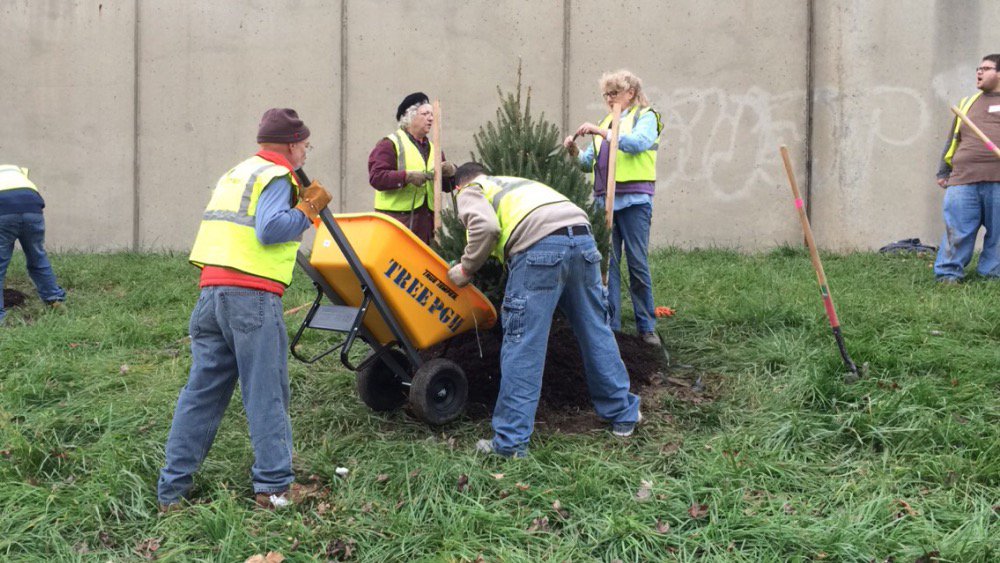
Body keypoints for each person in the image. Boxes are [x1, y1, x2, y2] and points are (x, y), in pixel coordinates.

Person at [157, 108, 332, 511]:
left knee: (200, 394)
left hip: (211, 295)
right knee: (266, 392)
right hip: (251, 298)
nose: (305, 153)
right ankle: (274, 489)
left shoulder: (237, 173)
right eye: (305, 146)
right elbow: (270, 230)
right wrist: (307, 209)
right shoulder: (277, 175)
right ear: (291, 145)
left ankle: (172, 491)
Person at [447, 163, 641, 458]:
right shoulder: (515, 182)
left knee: (524, 343)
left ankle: (511, 443)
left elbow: (485, 227)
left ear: (459, 185)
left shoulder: (471, 189)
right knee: (595, 330)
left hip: (539, 250)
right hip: (583, 240)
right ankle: (623, 414)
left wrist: (466, 268)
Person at [564, 70, 663, 345]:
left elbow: (637, 144)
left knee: (637, 263)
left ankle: (646, 326)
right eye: (606, 94)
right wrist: (573, 151)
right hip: (604, 202)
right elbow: (588, 163)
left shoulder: (646, 117)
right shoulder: (606, 122)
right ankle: (612, 327)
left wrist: (602, 132)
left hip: (634, 200)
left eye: (614, 93)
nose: (609, 99)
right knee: (608, 265)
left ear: (630, 93)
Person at [934, 54, 1000, 283]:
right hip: (963, 178)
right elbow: (953, 139)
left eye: (986, 68)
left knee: (999, 234)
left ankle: (992, 276)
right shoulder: (966, 104)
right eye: (978, 68)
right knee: (957, 230)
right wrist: (944, 171)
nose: (979, 72)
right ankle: (947, 275)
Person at [368, 92, 456, 244]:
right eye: (425, 114)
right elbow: (377, 177)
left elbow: (447, 186)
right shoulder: (389, 144)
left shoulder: (435, 149)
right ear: (409, 117)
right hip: (397, 223)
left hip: (427, 225)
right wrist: (406, 177)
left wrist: (452, 173)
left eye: (432, 114)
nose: (431, 118)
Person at [0, 164, 66, 324]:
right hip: (33, 210)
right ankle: (54, 299)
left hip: (4, 212)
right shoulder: (18, 173)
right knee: (37, 256)